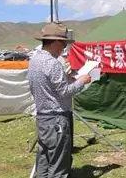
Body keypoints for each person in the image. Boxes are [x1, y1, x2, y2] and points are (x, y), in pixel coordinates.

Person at [28, 22, 91, 178]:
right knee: (58, 166)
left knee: (44, 160)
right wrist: (81, 81)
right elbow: (65, 92)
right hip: (57, 120)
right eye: (63, 43)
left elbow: (39, 86)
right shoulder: (52, 63)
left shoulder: (34, 61)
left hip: (43, 118)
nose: (64, 47)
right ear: (56, 42)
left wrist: (67, 78)